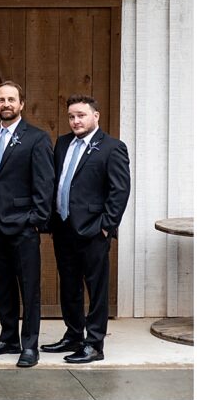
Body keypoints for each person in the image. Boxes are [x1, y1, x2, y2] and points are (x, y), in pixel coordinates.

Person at [43, 96, 131, 364]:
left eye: (81, 115)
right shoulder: (62, 143)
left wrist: (106, 226)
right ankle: (73, 335)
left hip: (93, 230)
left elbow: (120, 190)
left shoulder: (112, 147)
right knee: (69, 286)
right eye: (71, 116)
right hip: (64, 227)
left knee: (96, 289)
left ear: (96, 116)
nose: (75, 121)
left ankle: (94, 344)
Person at [0, 81, 54, 368]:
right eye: (1, 99)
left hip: (23, 225)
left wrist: (35, 220)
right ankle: (8, 337)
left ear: (21, 103)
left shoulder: (37, 138)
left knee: (29, 287)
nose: (6, 104)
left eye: (11, 99)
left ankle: (29, 345)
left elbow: (45, 184)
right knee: (2, 283)